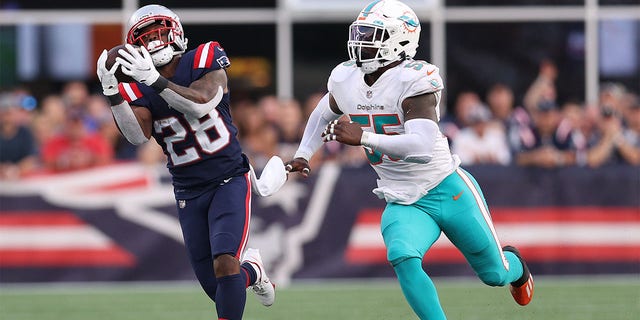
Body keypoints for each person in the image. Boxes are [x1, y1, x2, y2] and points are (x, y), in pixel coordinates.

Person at [285, 1, 534, 319]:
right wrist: (304, 154)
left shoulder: (415, 80)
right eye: (359, 32)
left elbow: (421, 146)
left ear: (399, 39)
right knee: (402, 254)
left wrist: (362, 137)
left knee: (494, 275)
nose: (361, 41)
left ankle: (515, 266)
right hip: (402, 198)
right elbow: (324, 111)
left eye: (371, 34)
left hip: (446, 188)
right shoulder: (347, 78)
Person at [96, 4, 275, 319]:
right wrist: (112, 93)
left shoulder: (204, 57)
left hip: (228, 177)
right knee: (215, 285)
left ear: (176, 33)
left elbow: (203, 104)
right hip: (188, 190)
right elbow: (137, 136)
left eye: (159, 34)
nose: (154, 44)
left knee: (225, 263)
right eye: (145, 39)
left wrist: (156, 81)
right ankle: (254, 271)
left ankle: (244, 273)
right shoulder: (135, 84)